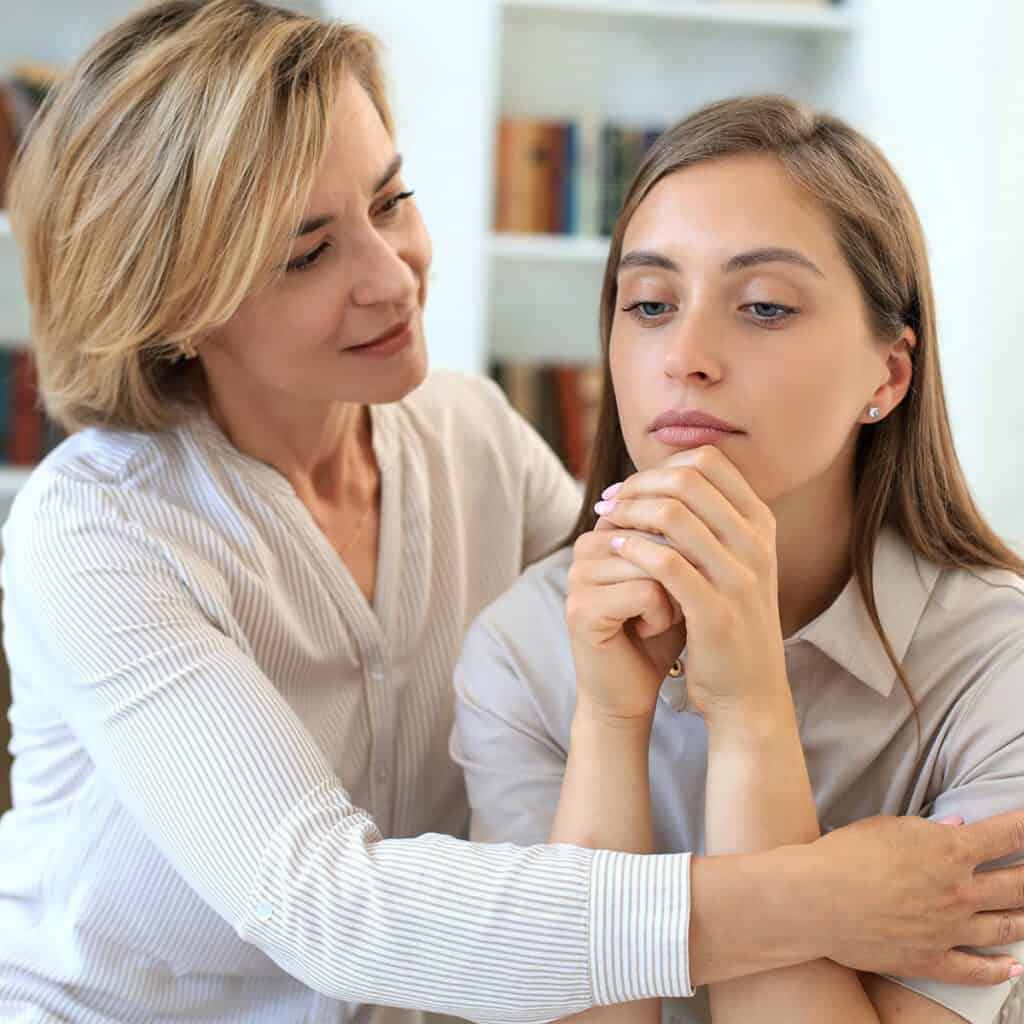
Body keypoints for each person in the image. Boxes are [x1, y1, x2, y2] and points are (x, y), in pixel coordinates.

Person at [0, 3, 1022, 1020]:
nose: (390, 272)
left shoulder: (470, 434)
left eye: (391, 199)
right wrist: (822, 899)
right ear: (174, 303)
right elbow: (327, 908)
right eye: (308, 254)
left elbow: (614, 625)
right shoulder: (101, 532)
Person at [452, 96, 1024, 1024]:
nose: (685, 356)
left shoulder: (999, 667)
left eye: (763, 307)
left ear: (888, 375)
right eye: (649, 304)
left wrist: (751, 705)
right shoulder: (522, 649)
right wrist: (608, 716)